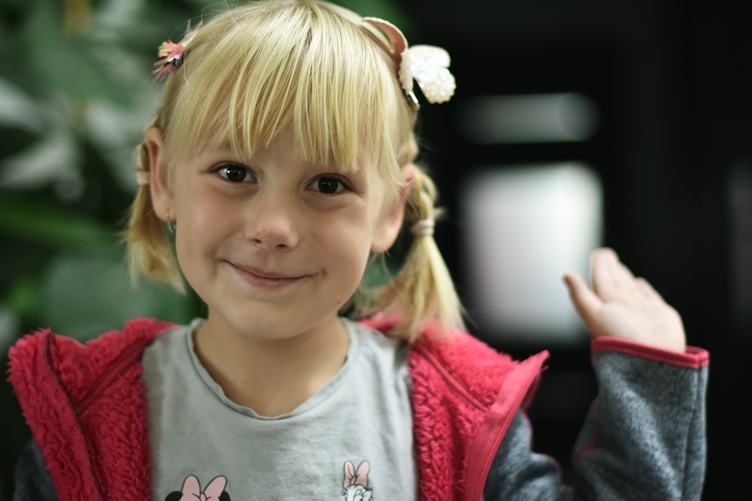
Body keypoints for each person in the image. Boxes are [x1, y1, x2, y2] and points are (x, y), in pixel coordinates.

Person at [8, 1, 709, 500]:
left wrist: (648, 375)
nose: (274, 226)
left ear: (389, 211)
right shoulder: (85, 419)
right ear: (162, 176)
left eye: (327, 184)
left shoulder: (455, 413)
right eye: (234, 172)